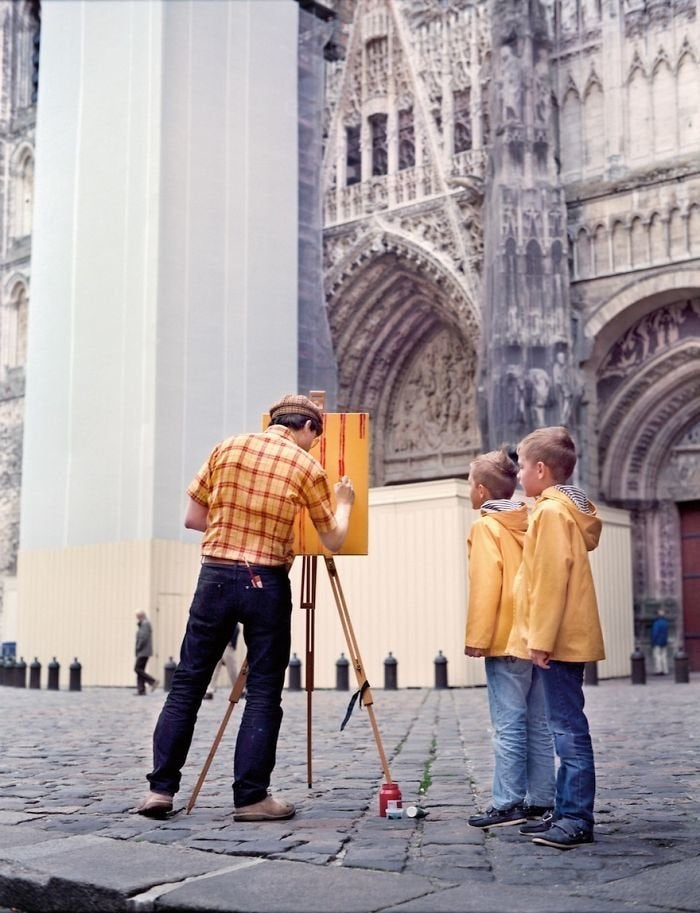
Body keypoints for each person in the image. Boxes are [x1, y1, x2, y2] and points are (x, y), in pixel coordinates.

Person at [135, 394, 355, 821]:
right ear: (307, 428)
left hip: (215, 575)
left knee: (188, 684)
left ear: (274, 421)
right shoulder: (307, 466)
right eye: (315, 436)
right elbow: (333, 539)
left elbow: (193, 520)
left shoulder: (227, 446)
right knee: (264, 692)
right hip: (267, 579)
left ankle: (160, 791)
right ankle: (252, 797)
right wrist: (343, 503)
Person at [507, 426, 605, 850]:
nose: (519, 475)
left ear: (541, 470)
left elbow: (549, 581)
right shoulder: (566, 511)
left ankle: (576, 818)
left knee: (567, 729)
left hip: (558, 637)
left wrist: (540, 639)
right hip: (568, 634)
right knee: (564, 724)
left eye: (523, 466)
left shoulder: (549, 513)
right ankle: (565, 811)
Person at [465, 450, 554, 830]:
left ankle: (507, 802)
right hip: (534, 636)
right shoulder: (530, 521)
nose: (469, 491)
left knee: (508, 725)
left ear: (482, 491)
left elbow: (488, 586)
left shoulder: (486, 527)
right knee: (539, 724)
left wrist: (477, 637)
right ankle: (542, 799)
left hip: (503, 639)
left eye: (470, 484)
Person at [204, 623, 241, 698]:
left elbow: (235, 631)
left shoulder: (234, 623)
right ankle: (209, 690)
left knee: (232, 671)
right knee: (214, 670)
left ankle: (239, 690)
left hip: (227, 647)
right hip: (219, 645)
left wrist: (230, 643)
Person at [134, 611, 158, 695]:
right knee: (140, 670)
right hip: (144, 651)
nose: (137, 618)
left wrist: (138, 647)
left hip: (143, 651)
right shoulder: (144, 624)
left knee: (137, 669)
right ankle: (141, 690)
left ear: (141, 616)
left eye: (137, 616)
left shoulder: (145, 624)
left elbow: (143, 638)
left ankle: (153, 681)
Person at [650, 609, 670, 675]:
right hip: (664, 641)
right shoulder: (665, 623)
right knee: (664, 656)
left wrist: (653, 642)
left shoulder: (656, 623)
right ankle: (665, 670)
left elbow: (654, 633)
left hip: (657, 642)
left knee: (657, 656)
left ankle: (659, 670)